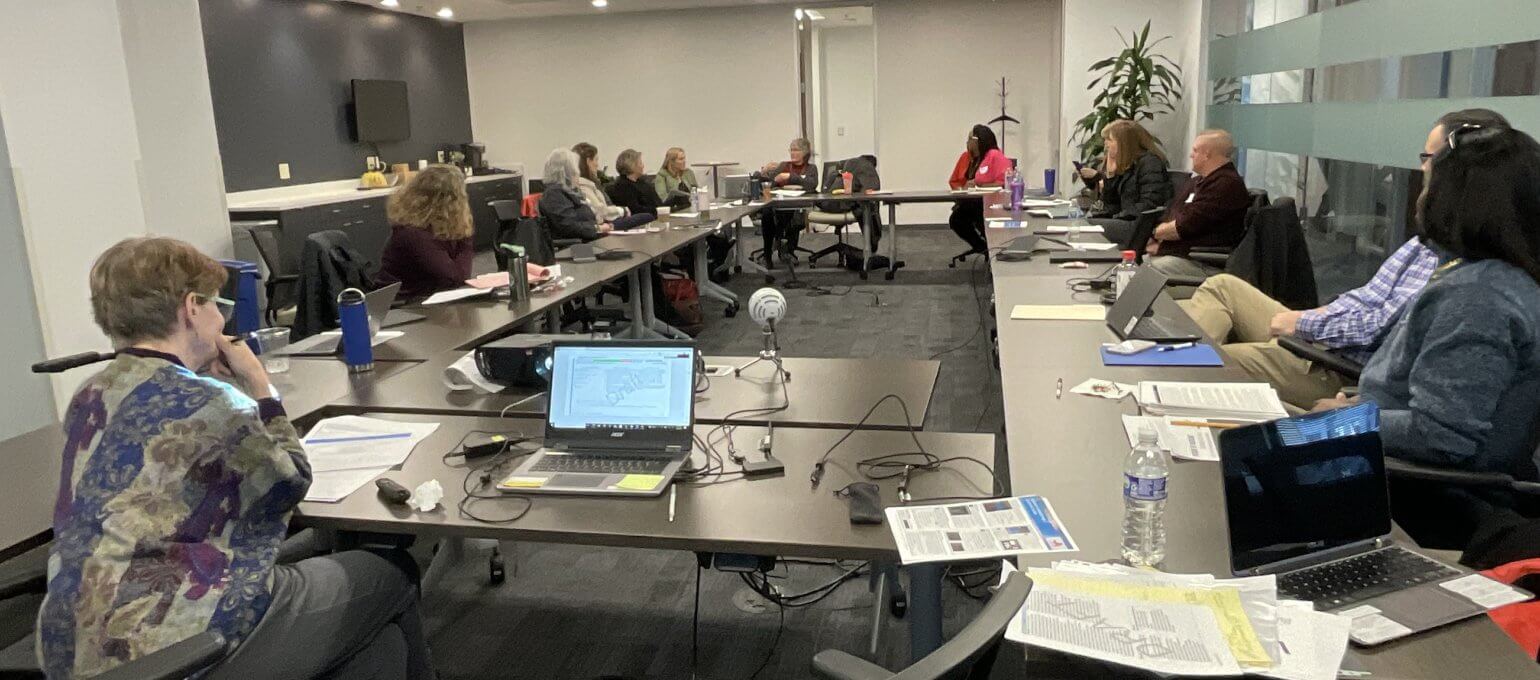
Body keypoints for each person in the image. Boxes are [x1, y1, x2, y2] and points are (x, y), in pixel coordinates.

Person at [38, 237, 433, 679]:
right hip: (180, 641)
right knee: (390, 573)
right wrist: (259, 385)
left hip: (70, 641)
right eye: (216, 303)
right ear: (192, 308)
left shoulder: (89, 393)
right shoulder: (210, 402)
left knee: (375, 640)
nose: (222, 317)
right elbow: (291, 479)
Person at [1180, 110, 1510, 410]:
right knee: (1221, 287)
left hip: (1336, 364)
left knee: (1211, 363)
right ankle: (1181, 366)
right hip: (1325, 334)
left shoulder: (1465, 270)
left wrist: (1304, 324)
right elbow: (1369, 297)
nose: (1423, 167)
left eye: (1429, 157)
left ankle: (1184, 374)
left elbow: (1380, 329)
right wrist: (1321, 313)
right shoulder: (1429, 240)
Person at [1313, 124, 1540, 548]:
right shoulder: (1490, 278)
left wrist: (1344, 422)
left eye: (1430, 183)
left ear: (1455, 200)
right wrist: (1359, 408)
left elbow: (1442, 436)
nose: (1419, 195)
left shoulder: (1479, 297)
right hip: (1397, 469)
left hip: (1424, 501)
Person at [378, 164, 547, 298]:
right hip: (404, 306)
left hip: (429, 297)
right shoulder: (413, 234)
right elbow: (456, 277)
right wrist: (466, 235)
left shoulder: (432, 227)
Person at [1145, 129, 1251, 279]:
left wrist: (1154, 234)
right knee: (1134, 263)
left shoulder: (1226, 185)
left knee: (1144, 272)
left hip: (1202, 261)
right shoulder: (1199, 181)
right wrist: (1157, 239)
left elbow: (1183, 227)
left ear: (1207, 154)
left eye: (1195, 150)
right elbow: (1172, 214)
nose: (1191, 155)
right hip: (1179, 254)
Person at [1079, 120, 1174, 246]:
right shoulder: (1127, 164)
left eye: (1109, 139)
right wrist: (1110, 176)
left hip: (1140, 225)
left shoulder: (1149, 163)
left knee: (1085, 227)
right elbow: (1110, 205)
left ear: (1124, 143)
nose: (1106, 144)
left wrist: (1118, 216)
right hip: (1125, 219)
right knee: (1082, 222)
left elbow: (1149, 204)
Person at [947, 124, 1011, 257]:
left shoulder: (994, 155)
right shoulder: (979, 158)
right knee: (957, 219)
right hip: (976, 201)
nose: (968, 143)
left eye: (970, 139)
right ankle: (983, 247)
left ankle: (990, 248)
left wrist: (977, 185)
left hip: (990, 203)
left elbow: (1004, 183)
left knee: (961, 218)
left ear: (978, 140)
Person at [753, 138, 819, 263]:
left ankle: (783, 246)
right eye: (791, 150)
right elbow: (769, 184)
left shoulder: (811, 168)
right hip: (778, 204)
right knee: (767, 212)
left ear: (805, 152)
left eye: (796, 150)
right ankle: (768, 253)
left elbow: (811, 184)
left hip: (797, 206)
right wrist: (764, 172)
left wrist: (790, 176)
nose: (792, 153)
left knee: (788, 214)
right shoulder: (784, 165)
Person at [572, 142, 653, 231]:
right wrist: (622, 210)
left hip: (609, 219)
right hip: (603, 225)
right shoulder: (583, 185)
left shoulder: (590, 183)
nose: (597, 164)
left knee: (645, 216)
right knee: (647, 216)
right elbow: (600, 211)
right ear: (588, 162)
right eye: (596, 160)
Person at [540, 148, 613, 242]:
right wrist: (598, 228)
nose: (578, 173)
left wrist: (600, 227)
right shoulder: (554, 194)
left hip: (589, 238)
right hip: (577, 244)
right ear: (568, 172)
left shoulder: (569, 191)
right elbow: (568, 226)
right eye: (575, 169)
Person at [606, 148, 662, 217]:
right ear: (632, 165)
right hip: (643, 219)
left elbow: (659, 203)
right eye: (640, 163)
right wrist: (657, 211)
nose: (643, 166)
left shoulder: (643, 183)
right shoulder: (622, 186)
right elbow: (635, 210)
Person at [654, 147, 700, 211]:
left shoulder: (688, 173)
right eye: (681, 159)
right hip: (674, 209)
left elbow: (697, 191)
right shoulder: (662, 176)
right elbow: (663, 199)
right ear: (671, 161)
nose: (684, 161)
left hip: (691, 207)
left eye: (684, 158)